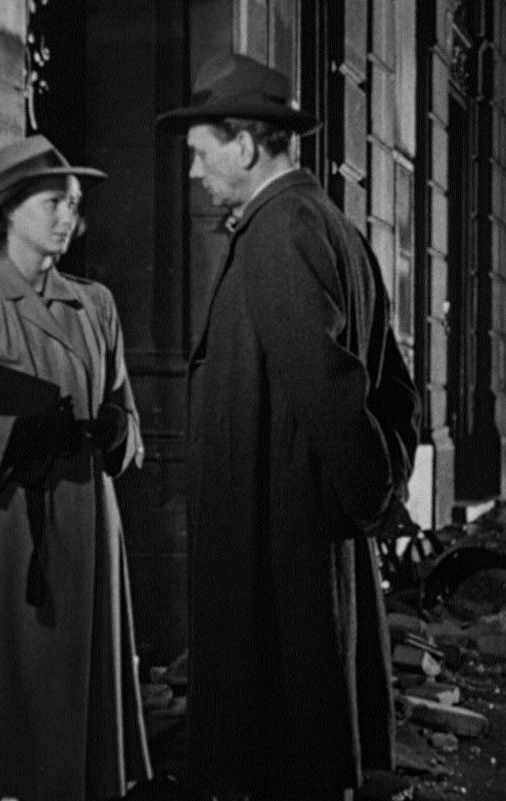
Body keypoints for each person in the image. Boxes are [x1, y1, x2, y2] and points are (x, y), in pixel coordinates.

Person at [157, 54, 421, 801]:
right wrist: (382, 487)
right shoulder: (329, 224)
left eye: (201, 152)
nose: (194, 172)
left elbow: (331, 391)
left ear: (245, 146)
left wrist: (369, 494)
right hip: (307, 535)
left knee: (279, 748)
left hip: (278, 544)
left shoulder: (278, 231)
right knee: (308, 738)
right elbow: (395, 390)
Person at [0, 136, 151, 801]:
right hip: (1, 528)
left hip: (86, 523)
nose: (69, 216)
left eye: (74, 203)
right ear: (7, 211)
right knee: (1, 707)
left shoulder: (95, 304)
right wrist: (14, 436)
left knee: (71, 709)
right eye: (53, 202)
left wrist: (117, 430)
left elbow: (127, 414)